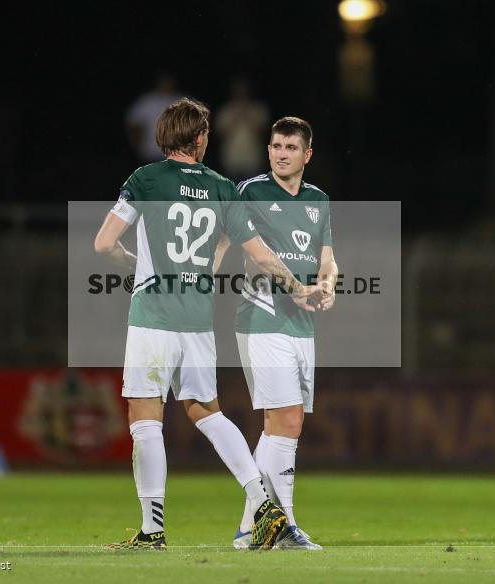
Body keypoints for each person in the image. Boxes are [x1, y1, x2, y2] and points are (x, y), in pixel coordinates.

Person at [94, 99, 326, 550]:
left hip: (154, 315)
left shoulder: (145, 179)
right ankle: (265, 506)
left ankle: (152, 530)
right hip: (197, 319)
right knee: (206, 411)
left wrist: (134, 263)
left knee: (145, 417)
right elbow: (258, 253)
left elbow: (103, 243)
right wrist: (297, 288)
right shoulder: (223, 187)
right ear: (199, 138)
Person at [214, 116, 337, 551]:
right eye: (275, 146)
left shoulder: (318, 200)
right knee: (284, 419)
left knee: (283, 424)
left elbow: (327, 258)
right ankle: (283, 527)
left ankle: (252, 527)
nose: (280, 153)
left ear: (307, 154)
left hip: (302, 325)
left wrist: (326, 286)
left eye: (289, 147)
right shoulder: (251, 192)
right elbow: (238, 248)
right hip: (262, 317)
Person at [215, 78, 269, 183]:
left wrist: (248, 117)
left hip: (253, 159)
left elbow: (264, 133)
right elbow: (219, 135)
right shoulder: (226, 110)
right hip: (231, 159)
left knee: (253, 194)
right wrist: (235, 120)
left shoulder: (258, 109)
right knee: (232, 193)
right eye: (238, 91)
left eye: (244, 91)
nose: (241, 94)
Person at [125, 73, 181, 162]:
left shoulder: (181, 100)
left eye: (168, 82)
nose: (166, 85)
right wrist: (136, 145)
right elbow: (133, 123)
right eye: (163, 82)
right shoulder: (146, 101)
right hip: (150, 152)